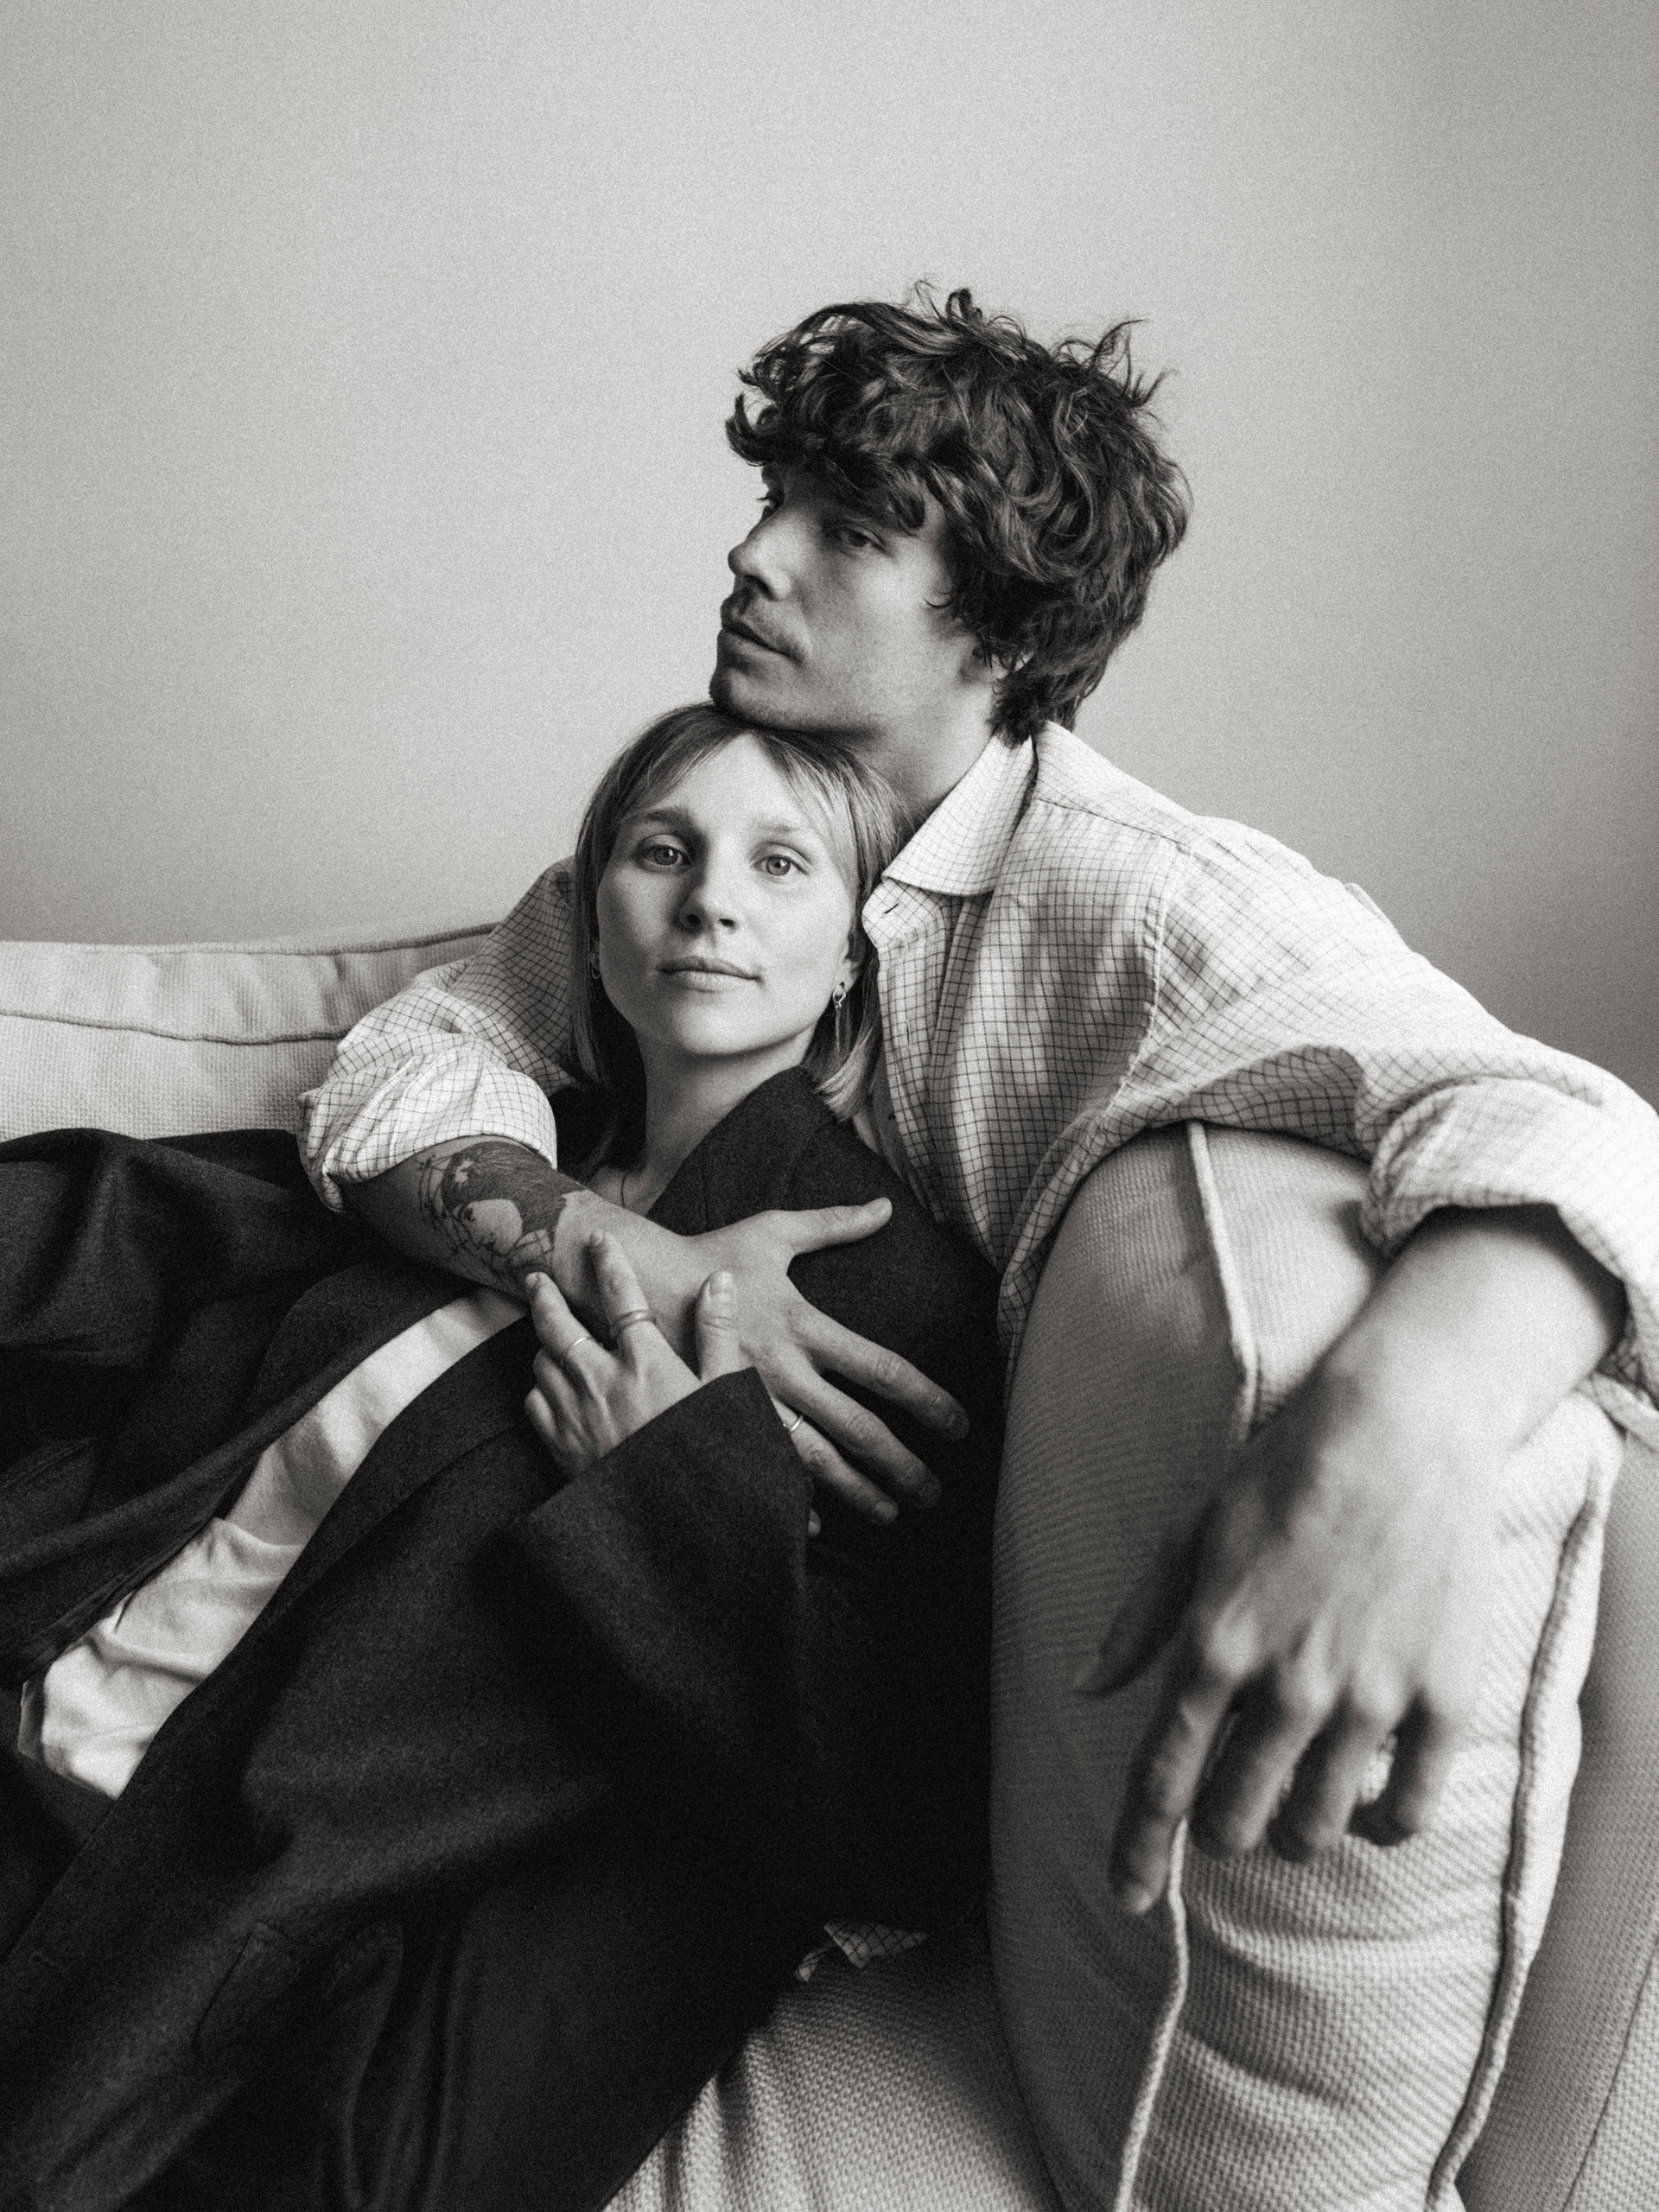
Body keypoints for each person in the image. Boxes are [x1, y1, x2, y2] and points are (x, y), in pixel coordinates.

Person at [302, 287, 1655, 1929]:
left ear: (1003, 635)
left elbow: (1578, 1127)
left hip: (889, 1679)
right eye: (773, 503)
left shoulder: (1136, 899)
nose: (752, 556)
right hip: (651, 1587)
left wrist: (1389, 1444)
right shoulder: (728, 823)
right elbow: (394, 1076)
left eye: (846, 531)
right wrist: (631, 1257)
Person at [0, 707, 1001, 2209]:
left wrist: (667, 1480)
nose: (711, 901)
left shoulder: (873, 1297)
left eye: (781, 864)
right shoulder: (475, 1162)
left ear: (853, 951)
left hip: (204, 1904)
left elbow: (897, 1814)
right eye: (663, 851)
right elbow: (134, 1242)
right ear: (590, 923)